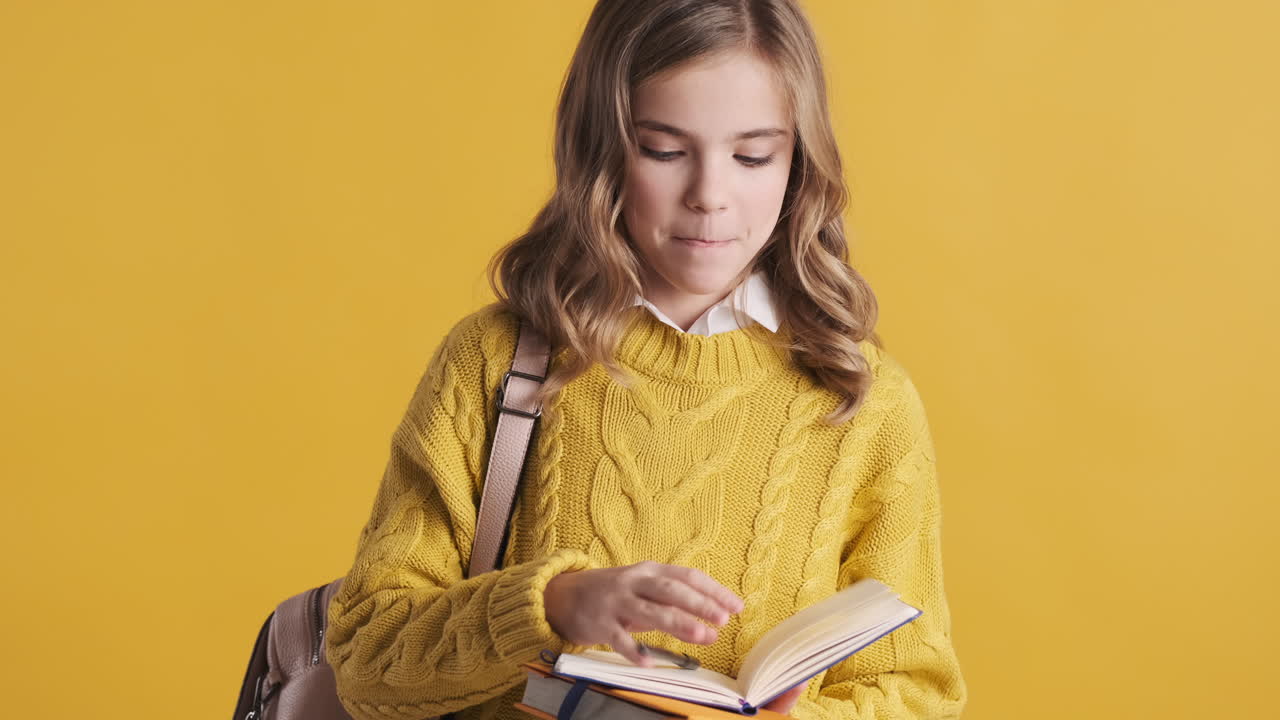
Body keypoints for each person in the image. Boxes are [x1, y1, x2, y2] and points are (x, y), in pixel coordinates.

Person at [324, 1, 968, 718]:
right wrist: (554, 606)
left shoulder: (865, 403)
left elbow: (917, 692)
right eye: (663, 150)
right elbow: (366, 658)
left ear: (799, 163)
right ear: (600, 146)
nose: (710, 197)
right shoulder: (496, 360)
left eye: (753, 156)